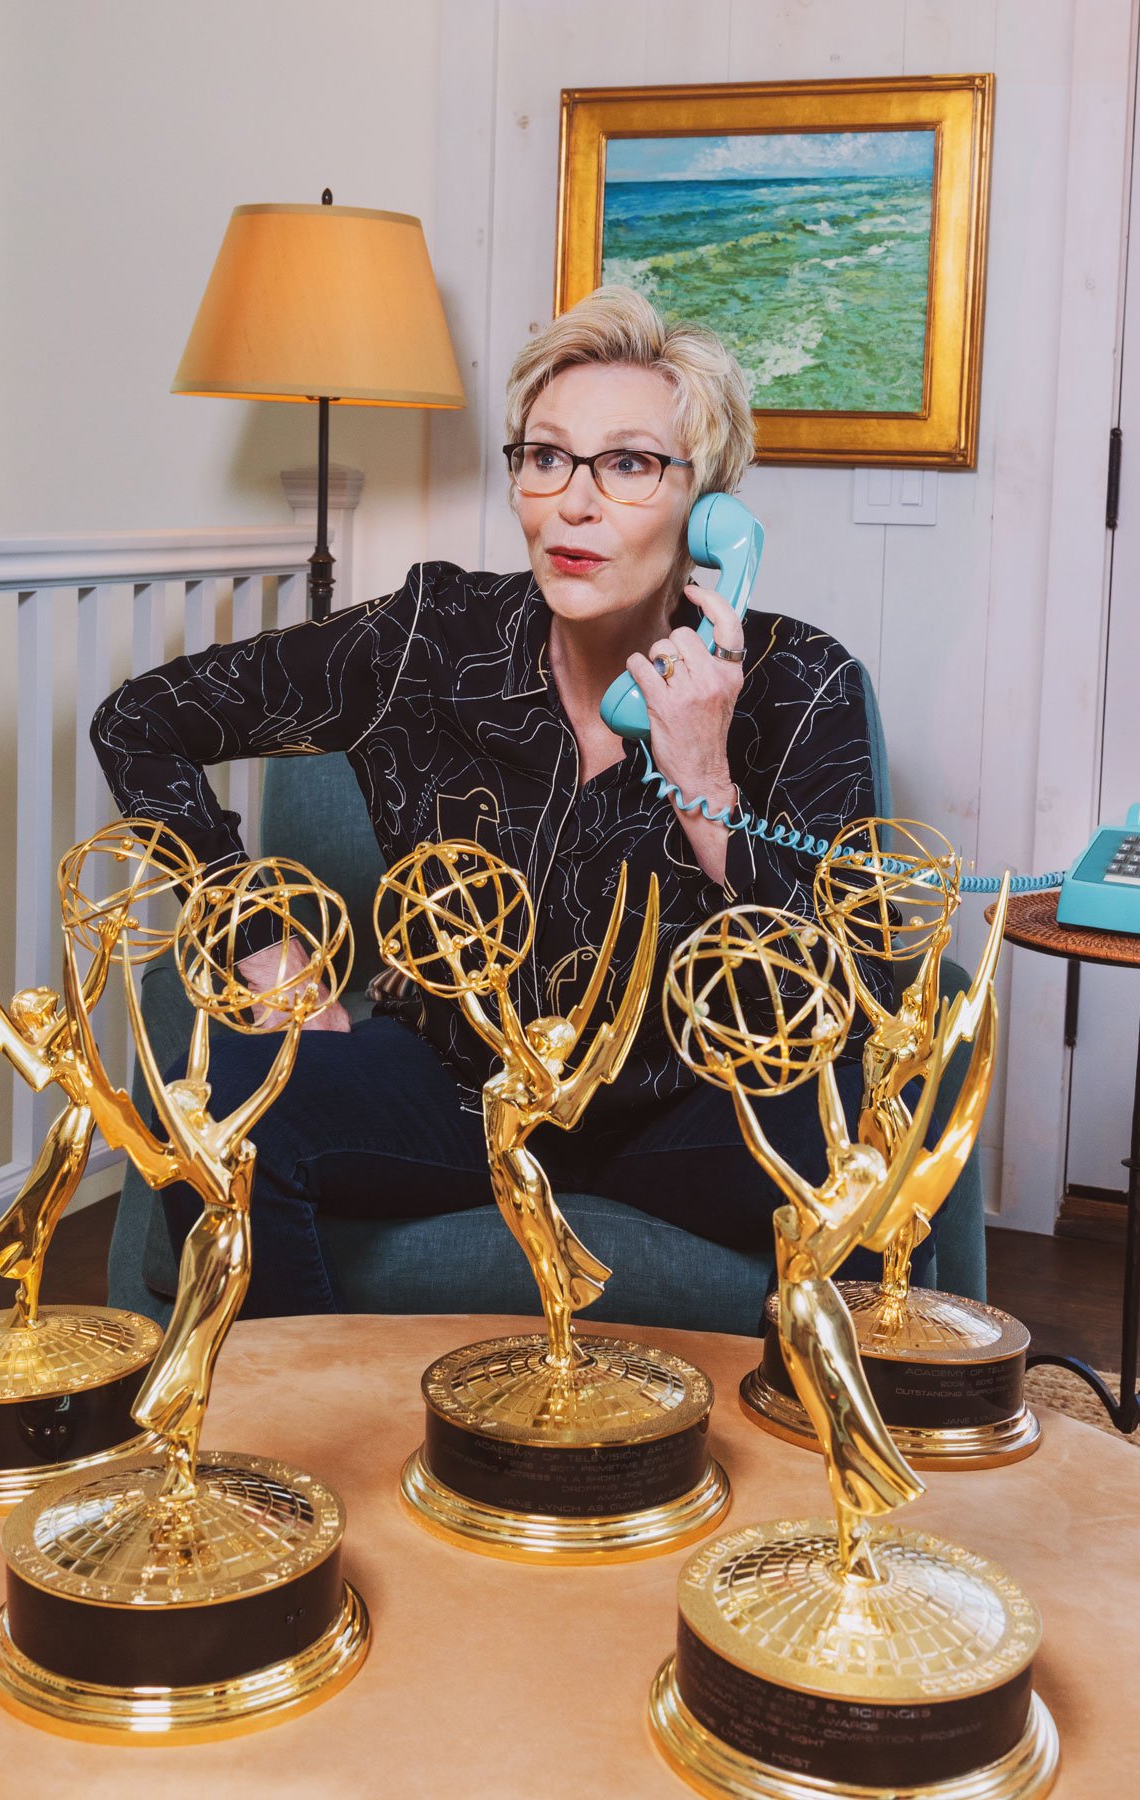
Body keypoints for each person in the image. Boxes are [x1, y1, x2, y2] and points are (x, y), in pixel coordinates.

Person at [92, 285, 890, 1316]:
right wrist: (257, 937)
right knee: (217, 1095)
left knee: (872, 1119)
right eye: (547, 456)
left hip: (686, 1110)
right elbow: (138, 721)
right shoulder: (427, 639)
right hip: (455, 1090)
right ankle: (290, 1437)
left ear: (711, 511)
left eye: (631, 464)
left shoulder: (800, 680)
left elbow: (854, 980)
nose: (575, 502)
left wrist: (706, 784)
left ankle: (840, 1457)